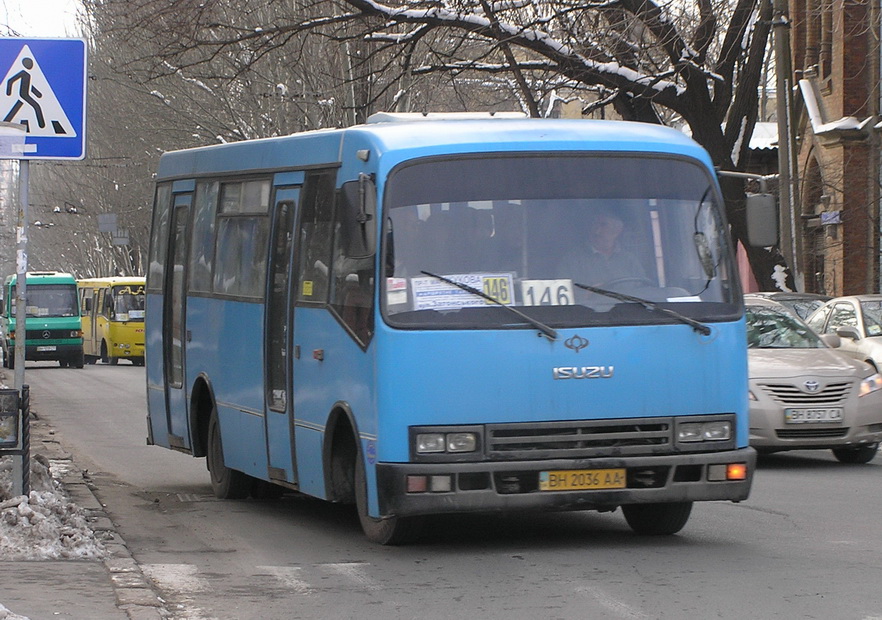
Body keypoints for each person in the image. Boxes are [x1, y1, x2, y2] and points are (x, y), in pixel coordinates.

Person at [557, 206, 648, 288]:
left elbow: (644, 292)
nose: (596, 231)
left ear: (617, 230)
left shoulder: (630, 260)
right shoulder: (572, 260)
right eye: (594, 224)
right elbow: (564, 294)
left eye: (603, 225)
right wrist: (586, 295)